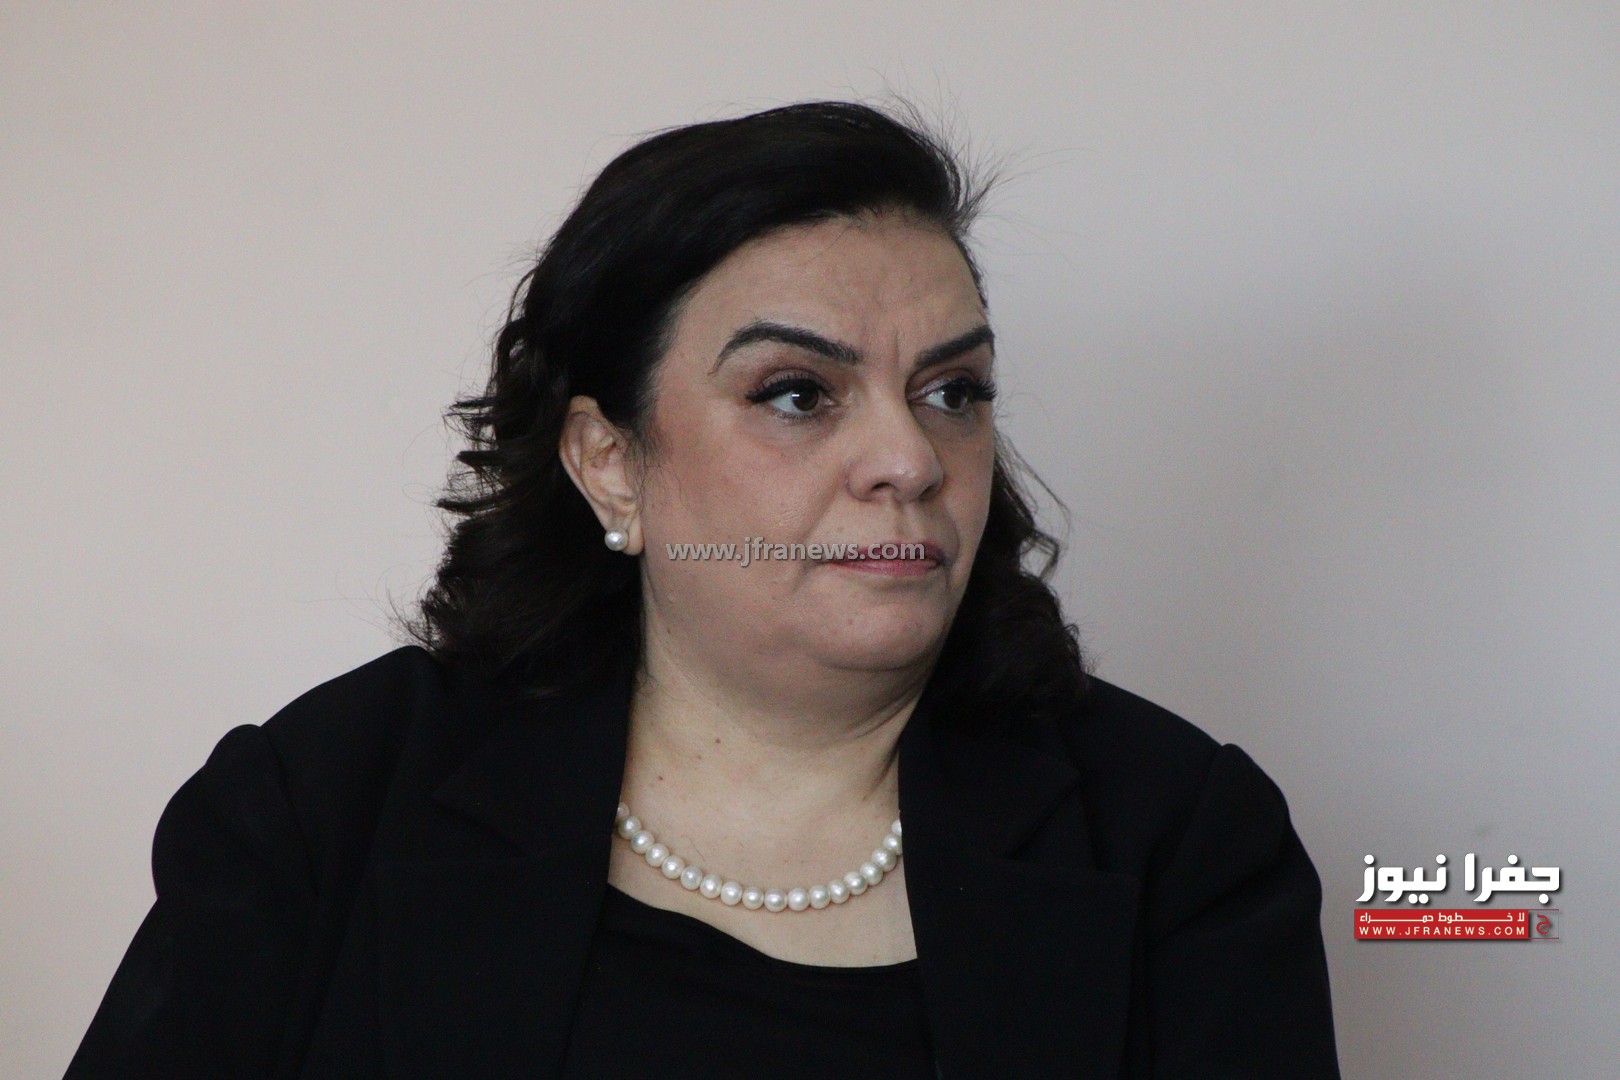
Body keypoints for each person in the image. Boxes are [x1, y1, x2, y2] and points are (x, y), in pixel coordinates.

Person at [65, 100, 1340, 1078]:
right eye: (798, 394)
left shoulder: (1180, 840)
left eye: (953, 391)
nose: (909, 460)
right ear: (610, 463)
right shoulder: (323, 801)